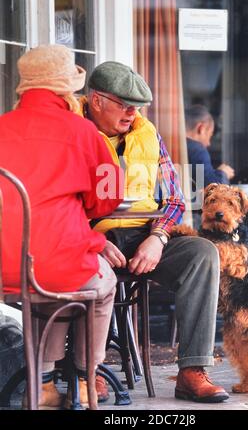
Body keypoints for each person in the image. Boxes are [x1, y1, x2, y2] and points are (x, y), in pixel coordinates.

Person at [80, 61, 229, 403]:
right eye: (124, 104)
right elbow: (61, 202)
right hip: (91, 240)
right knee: (89, 271)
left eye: (137, 106)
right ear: (96, 100)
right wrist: (94, 241)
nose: (132, 113)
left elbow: (175, 199)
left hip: (143, 237)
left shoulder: (148, 135)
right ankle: (91, 370)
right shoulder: (74, 133)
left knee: (202, 254)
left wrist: (158, 237)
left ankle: (192, 370)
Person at [0, 45, 123, 409]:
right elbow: (107, 198)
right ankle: (87, 378)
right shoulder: (82, 131)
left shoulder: (1, 127)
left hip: (7, 263)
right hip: (58, 264)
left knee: (44, 287)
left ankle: (44, 383)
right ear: (66, 91)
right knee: (99, 282)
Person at [186, 104, 235, 187]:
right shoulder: (197, 151)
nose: (208, 143)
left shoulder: (168, 145)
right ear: (201, 128)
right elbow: (212, 188)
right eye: (210, 135)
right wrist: (224, 174)